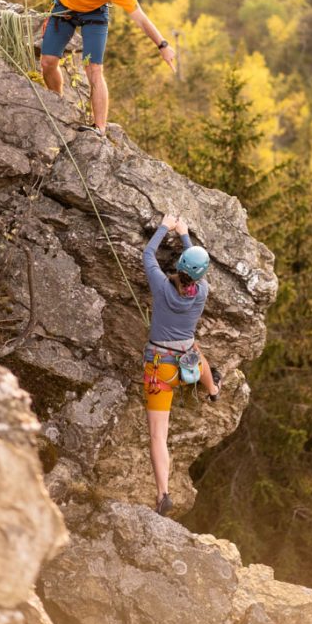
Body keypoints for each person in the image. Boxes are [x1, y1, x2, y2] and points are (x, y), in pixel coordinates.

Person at [7, 0, 176, 136]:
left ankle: (99, 129)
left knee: (94, 69)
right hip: (65, 9)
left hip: (95, 15)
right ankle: (58, 103)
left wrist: (162, 45)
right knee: (48, 61)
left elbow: (140, 17)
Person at [142, 213, 222, 516]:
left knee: (158, 435)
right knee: (194, 347)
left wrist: (166, 226)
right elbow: (195, 274)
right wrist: (186, 234)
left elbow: (148, 254)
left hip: (160, 368)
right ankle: (213, 389)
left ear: (177, 266)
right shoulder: (202, 293)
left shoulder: (162, 287)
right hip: (186, 365)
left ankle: (163, 494)